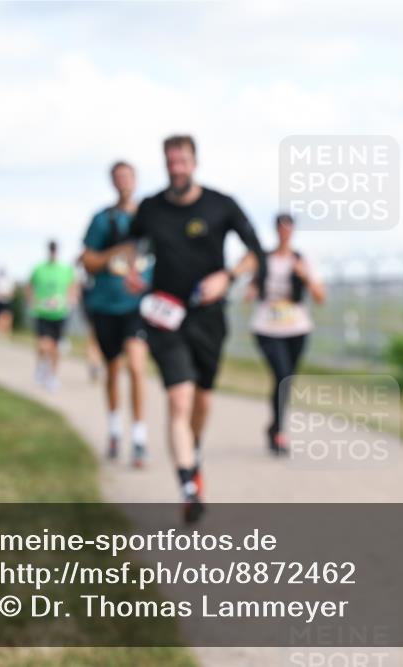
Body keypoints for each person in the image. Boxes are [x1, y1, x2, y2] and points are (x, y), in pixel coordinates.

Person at [124, 135, 265, 524]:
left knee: (203, 402)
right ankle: (189, 486)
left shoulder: (221, 205)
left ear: (194, 162)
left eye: (182, 161)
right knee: (179, 400)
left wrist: (229, 276)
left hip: (209, 317)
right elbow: (133, 244)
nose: (176, 168)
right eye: (170, 162)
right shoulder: (151, 207)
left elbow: (256, 251)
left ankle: (193, 453)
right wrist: (132, 270)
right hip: (164, 316)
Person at [80, 161, 152, 467]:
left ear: (135, 180)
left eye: (128, 176)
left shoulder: (150, 217)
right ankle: (113, 430)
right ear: (112, 182)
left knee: (136, 367)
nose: (124, 181)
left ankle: (138, 438)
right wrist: (116, 252)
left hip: (137, 306)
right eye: (118, 177)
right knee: (112, 369)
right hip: (106, 304)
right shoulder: (101, 219)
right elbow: (88, 261)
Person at [239, 213, 325, 454]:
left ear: (293, 231)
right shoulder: (263, 259)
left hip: (296, 326)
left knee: (286, 381)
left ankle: (275, 427)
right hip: (267, 326)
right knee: (282, 374)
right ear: (276, 230)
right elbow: (250, 288)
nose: (284, 232)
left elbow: (320, 297)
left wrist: (305, 276)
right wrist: (251, 288)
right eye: (280, 228)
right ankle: (279, 433)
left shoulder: (302, 260)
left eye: (288, 228)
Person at [27, 241, 76, 392]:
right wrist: (32, 302)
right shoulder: (39, 268)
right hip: (42, 312)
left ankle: (52, 376)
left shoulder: (66, 269)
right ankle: (42, 365)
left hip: (60, 313)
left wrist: (70, 301)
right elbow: (29, 286)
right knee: (43, 344)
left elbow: (73, 286)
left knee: (56, 348)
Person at [0, 267, 16, 339]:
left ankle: (6, 334)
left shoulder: (9, 281)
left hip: (6, 302)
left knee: (7, 318)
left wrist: (4, 295)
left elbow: (11, 293)